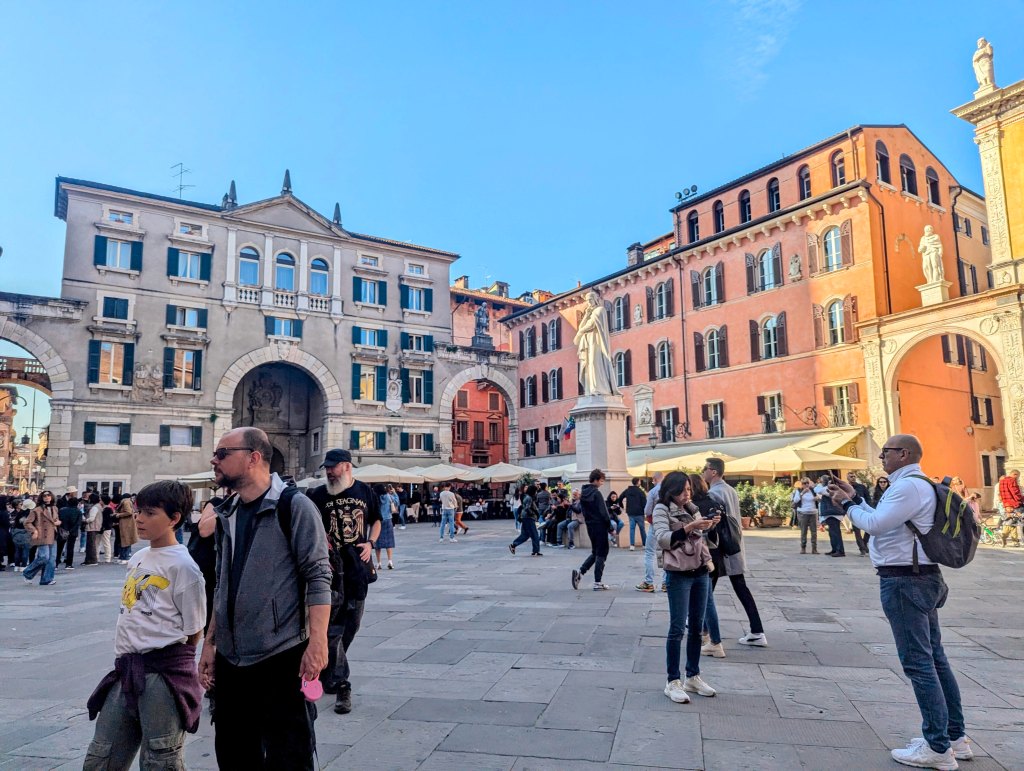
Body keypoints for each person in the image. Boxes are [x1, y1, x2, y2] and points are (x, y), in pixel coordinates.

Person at [829, 434, 971, 770]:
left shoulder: (907, 486)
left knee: (919, 663)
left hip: (905, 581)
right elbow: (886, 520)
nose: (881, 457)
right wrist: (855, 498)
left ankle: (937, 748)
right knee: (935, 659)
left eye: (886, 452)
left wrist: (847, 505)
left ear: (904, 454)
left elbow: (875, 525)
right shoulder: (914, 485)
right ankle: (954, 738)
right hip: (920, 577)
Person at [198, 427, 332, 768]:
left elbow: (318, 576)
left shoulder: (295, 507)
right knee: (235, 756)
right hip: (231, 661)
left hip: (281, 656)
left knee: (289, 758)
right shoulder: (227, 512)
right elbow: (222, 583)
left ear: (253, 458)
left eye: (222, 454)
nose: (214, 460)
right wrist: (210, 644)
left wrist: (318, 643)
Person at [84, 480, 206, 771]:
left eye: (150, 513)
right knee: (101, 756)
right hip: (126, 669)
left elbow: (194, 630)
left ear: (174, 518)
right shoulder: (139, 557)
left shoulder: (184, 567)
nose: (139, 519)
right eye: (139, 511)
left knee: (160, 760)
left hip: (162, 674)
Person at [305, 448, 381, 716]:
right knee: (334, 627)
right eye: (326, 467)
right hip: (330, 570)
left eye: (333, 467)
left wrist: (371, 543)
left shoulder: (364, 491)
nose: (328, 471)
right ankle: (341, 683)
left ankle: (330, 668)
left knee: (352, 624)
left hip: (358, 569)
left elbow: (377, 520)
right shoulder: (317, 495)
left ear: (347, 467)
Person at [653, 472, 719, 703]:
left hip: (700, 570)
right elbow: (663, 538)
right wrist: (691, 526)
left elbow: (701, 539)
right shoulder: (661, 509)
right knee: (677, 628)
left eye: (689, 489)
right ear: (670, 491)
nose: (686, 494)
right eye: (681, 491)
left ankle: (693, 676)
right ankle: (672, 681)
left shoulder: (692, 508)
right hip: (679, 573)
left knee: (697, 628)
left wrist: (710, 525)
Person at [703, 458, 768, 647]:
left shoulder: (714, 493)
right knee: (738, 587)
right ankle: (756, 630)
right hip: (734, 545)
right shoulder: (730, 490)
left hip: (722, 549)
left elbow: (714, 524)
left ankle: (703, 628)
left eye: (704, 468)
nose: (702, 472)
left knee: (707, 589)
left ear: (713, 471)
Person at [688, 474, 726, 659]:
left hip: (702, 556)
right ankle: (705, 633)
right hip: (715, 555)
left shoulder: (693, 507)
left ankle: (716, 642)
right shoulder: (713, 502)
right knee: (705, 597)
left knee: (707, 599)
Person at [571, 469, 616, 591]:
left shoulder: (583, 494)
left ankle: (580, 572)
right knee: (601, 553)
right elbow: (604, 512)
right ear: (595, 480)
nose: (602, 483)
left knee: (595, 552)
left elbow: (581, 510)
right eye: (601, 481)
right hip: (600, 526)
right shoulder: (596, 494)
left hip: (590, 526)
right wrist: (610, 528)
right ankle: (597, 582)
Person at [636, 471, 666, 592]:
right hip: (667, 525)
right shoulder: (670, 490)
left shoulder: (653, 492)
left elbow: (648, 510)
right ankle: (665, 583)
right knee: (665, 552)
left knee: (649, 553)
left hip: (655, 524)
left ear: (654, 479)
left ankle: (649, 582)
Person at [23, 492, 60, 586]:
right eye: (44, 496)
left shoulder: (55, 508)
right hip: (42, 535)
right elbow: (27, 522)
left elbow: (55, 519)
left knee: (51, 559)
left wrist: (58, 522)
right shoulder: (37, 510)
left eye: (48, 495)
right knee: (44, 557)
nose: (47, 497)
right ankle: (28, 572)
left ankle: (47, 579)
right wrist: (34, 531)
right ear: (41, 498)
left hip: (53, 535)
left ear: (52, 497)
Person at [815, 474, 846, 557]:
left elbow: (818, 490)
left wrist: (818, 485)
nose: (821, 482)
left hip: (834, 513)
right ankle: (834, 549)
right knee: (832, 533)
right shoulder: (827, 488)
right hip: (830, 513)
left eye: (822, 481)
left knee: (835, 532)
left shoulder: (830, 488)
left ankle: (840, 550)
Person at [509, 484, 542, 556]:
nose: (536, 492)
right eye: (535, 491)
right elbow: (527, 508)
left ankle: (514, 545)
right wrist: (533, 513)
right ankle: (536, 550)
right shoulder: (529, 498)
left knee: (526, 535)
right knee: (534, 534)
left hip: (525, 517)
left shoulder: (527, 497)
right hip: (529, 518)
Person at [57, 492, 84, 570]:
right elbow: (78, 523)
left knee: (59, 547)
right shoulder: (78, 512)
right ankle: (69, 564)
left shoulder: (62, 510)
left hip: (62, 530)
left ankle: (56, 563)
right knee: (70, 548)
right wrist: (72, 530)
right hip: (73, 532)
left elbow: (59, 520)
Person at [847, 472, 871, 556]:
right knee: (857, 531)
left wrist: (869, 507)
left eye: (854, 476)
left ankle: (864, 542)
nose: (853, 478)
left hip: (864, 509)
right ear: (847, 478)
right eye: (851, 476)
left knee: (868, 529)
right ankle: (862, 549)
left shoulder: (862, 487)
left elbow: (868, 497)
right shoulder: (846, 487)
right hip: (853, 510)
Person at [620, 478, 648, 551]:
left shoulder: (628, 490)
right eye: (639, 481)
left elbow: (620, 497)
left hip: (630, 512)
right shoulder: (641, 491)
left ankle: (632, 545)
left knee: (632, 529)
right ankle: (645, 544)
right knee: (642, 529)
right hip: (639, 513)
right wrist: (645, 511)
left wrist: (622, 506)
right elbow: (644, 503)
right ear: (638, 482)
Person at [374, 484, 397, 569]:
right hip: (388, 520)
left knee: (377, 543)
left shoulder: (375, 497)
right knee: (389, 542)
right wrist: (394, 493)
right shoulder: (388, 496)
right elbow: (396, 501)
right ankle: (390, 561)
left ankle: (379, 563)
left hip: (377, 521)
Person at [794, 478, 818, 554]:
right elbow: (796, 500)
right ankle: (803, 548)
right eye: (804, 483)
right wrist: (802, 493)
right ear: (801, 484)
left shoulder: (813, 490)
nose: (806, 484)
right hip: (803, 513)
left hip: (813, 512)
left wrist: (817, 498)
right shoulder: (799, 491)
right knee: (804, 531)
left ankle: (814, 548)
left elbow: (820, 497)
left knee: (814, 532)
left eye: (807, 483)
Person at [115, 494, 139, 564]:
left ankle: (125, 557)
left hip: (126, 524)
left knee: (126, 541)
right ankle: (122, 557)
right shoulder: (127, 502)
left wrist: (119, 515)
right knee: (124, 541)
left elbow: (128, 512)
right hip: (126, 523)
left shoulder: (126, 502)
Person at [82, 492, 104, 566]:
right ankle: (90, 560)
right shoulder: (99, 506)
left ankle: (92, 560)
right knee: (92, 544)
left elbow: (91, 518)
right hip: (97, 526)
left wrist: (85, 520)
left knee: (91, 545)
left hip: (92, 527)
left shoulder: (94, 508)